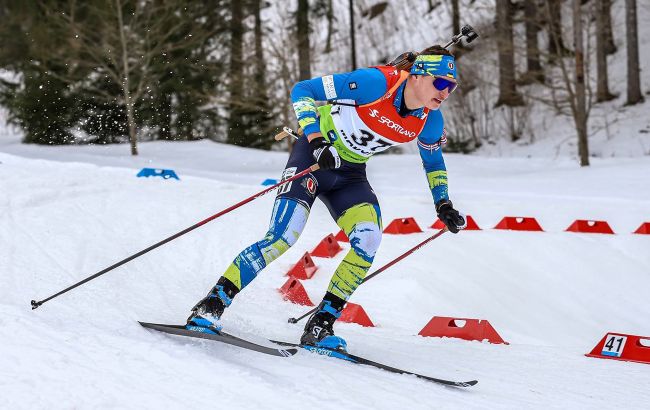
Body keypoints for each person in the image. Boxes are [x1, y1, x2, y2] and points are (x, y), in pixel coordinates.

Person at [186, 45, 467, 351]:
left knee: (369, 240)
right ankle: (211, 304)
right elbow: (302, 90)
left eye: (451, 86)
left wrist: (444, 203)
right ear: (416, 76)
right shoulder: (376, 82)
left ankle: (321, 325)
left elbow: (433, 162)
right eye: (440, 82)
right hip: (313, 158)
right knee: (282, 237)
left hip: (349, 175)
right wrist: (317, 140)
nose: (446, 92)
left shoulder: (430, 119)